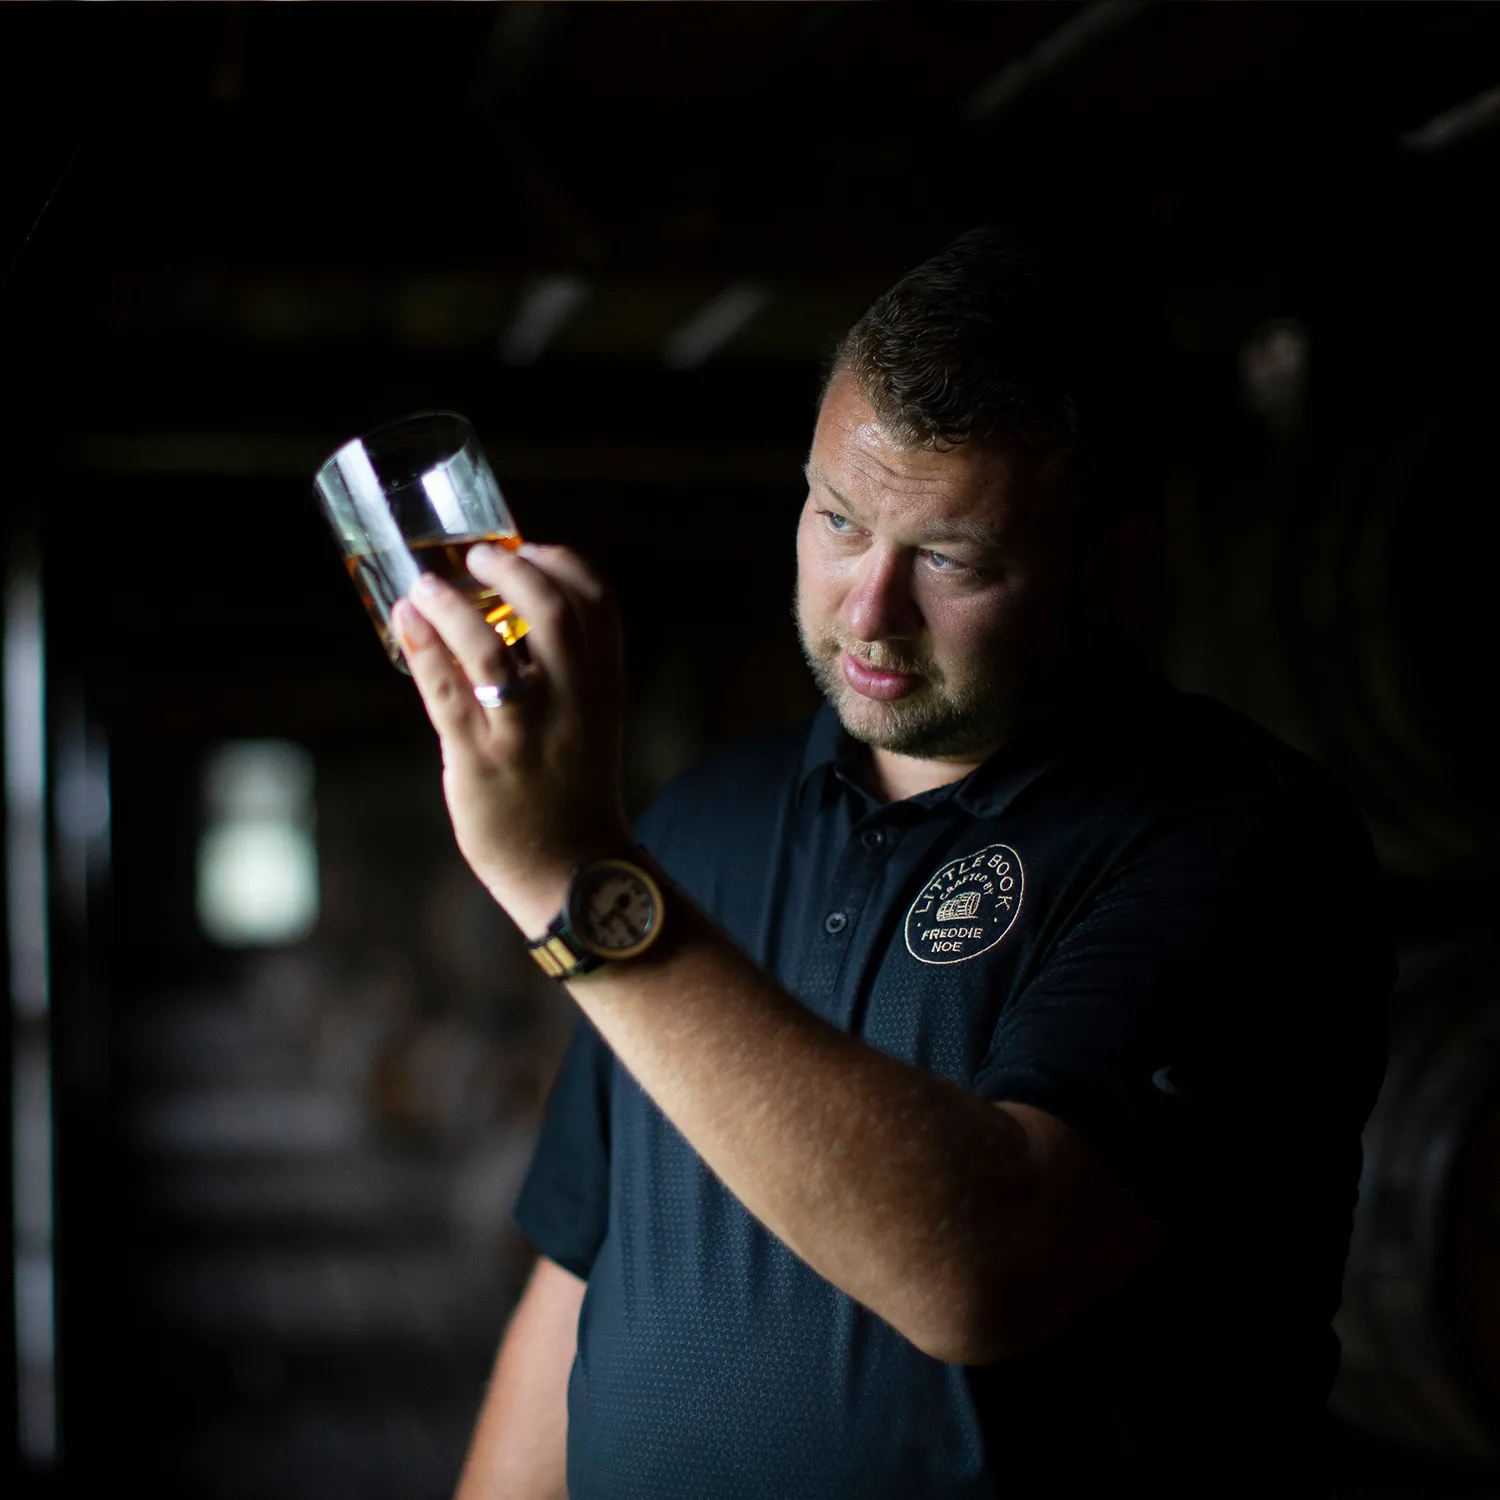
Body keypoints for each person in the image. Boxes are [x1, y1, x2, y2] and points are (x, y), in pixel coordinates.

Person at [393, 230, 1391, 1500]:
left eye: (951, 559)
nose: (868, 610)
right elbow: (584, 1268)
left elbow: (983, 1264)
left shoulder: (1240, 843)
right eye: (838, 519)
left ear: (1116, 564)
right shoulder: (704, 818)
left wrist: (572, 883)